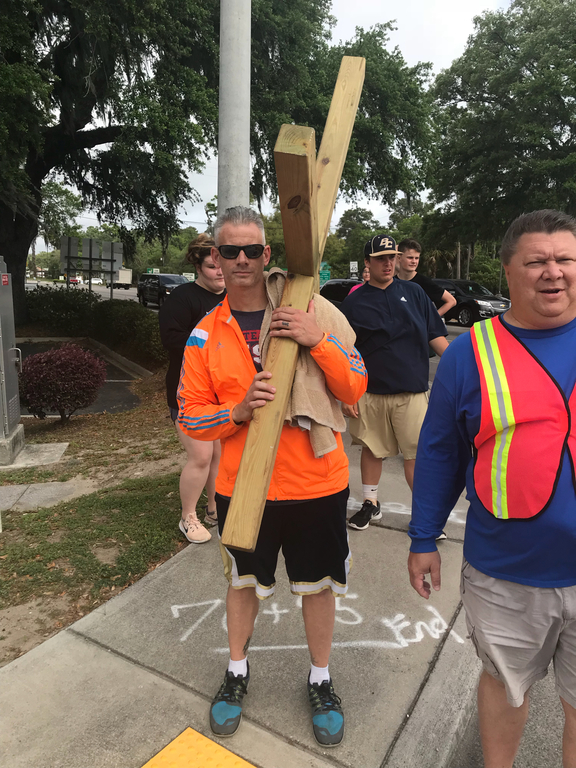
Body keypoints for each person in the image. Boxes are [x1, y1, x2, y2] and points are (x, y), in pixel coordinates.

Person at [177, 206, 367, 746]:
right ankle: (236, 670)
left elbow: (355, 385)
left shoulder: (312, 310)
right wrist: (236, 411)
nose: (241, 260)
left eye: (251, 250)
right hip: (243, 488)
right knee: (242, 585)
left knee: (320, 586)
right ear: (214, 257)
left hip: (317, 482)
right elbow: (191, 416)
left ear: (266, 254)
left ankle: (321, 679)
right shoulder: (204, 335)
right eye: (229, 250)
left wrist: (316, 340)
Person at [408, 209, 576, 768]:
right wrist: (423, 537)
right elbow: (440, 453)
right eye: (537, 261)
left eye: (565, 259)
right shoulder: (469, 354)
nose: (553, 272)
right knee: (505, 687)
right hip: (506, 572)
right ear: (508, 270)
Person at [340, 234, 448, 532]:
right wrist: (346, 392)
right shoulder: (354, 302)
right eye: (380, 258)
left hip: (412, 391)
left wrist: (461, 367)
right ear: (367, 262)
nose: (388, 263)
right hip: (370, 391)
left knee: (416, 455)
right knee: (372, 449)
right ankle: (370, 503)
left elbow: (436, 336)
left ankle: (425, 515)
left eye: (392, 257)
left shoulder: (414, 293)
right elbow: (344, 351)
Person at [158, 234, 225, 544]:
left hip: (223, 393)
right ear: (198, 266)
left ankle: (214, 509)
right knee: (201, 456)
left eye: (221, 265)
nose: (219, 272)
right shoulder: (182, 298)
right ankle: (188, 517)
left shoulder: (233, 297)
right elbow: (171, 340)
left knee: (218, 455)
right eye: (212, 266)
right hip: (188, 391)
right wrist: (214, 347)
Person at [396, 238, 456, 317]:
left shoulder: (424, 282)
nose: (414, 261)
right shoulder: (391, 282)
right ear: (399, 258)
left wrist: (431, 319)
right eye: (410, 258)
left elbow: (451, 301)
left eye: (417, 258)